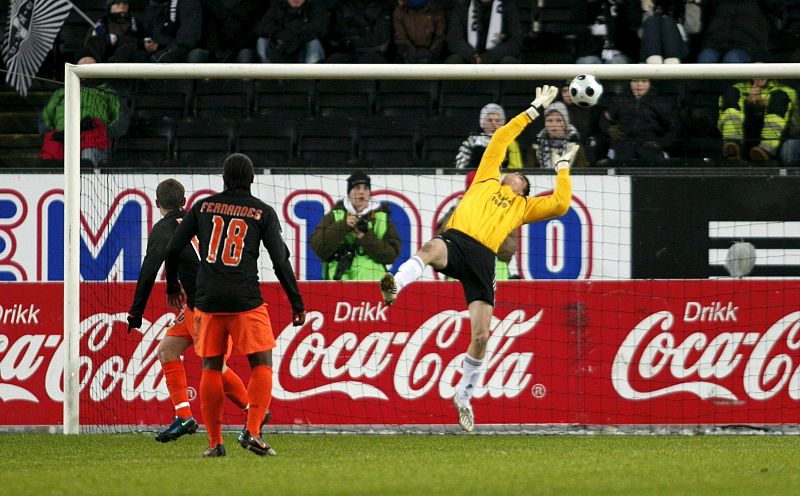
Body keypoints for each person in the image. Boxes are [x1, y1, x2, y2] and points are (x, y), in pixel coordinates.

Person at [379, 85, 575, 432]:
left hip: (483, 261)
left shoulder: (524, 207)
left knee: (482, 335)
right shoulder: (486, 179)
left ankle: (464, 396)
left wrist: (561, 168)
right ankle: (396, 283)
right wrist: (533, 109)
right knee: (429, 249)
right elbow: (500, 138)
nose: (511, 172)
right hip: (456, 241)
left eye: (518, 175)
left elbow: (560, 204)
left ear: (523, 186)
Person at [165, 153, 306, 457]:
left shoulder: (203, 206)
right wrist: (296, 301)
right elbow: (280, 260)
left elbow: (173, 247)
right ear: (252, 179)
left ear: (224, 178)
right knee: (262, 364)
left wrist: (172, 286)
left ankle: (215, 443)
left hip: (207, 301)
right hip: (245, 300)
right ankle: (253, 431)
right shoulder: (262, 212)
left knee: (211, 367)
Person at [126, 179, 252, 443]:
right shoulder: (202, 219)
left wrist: (136, 313)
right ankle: (184, 416)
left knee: (216, 367)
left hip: (207, 307)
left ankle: (255, 411)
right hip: (207, 301)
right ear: (185, 201)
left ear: (157, 204)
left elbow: (148, 272)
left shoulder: (163, 230)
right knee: (167, 350)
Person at [309, 171, 401, 281]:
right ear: (349, 193)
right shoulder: (335, 216)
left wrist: (365, 237)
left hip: (373, 283)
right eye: (357, 188)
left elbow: (391, 256)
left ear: (369, 193)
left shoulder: (382, 218)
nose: (362, 192)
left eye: (366, 188)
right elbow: (318, 247)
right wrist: (344, 226)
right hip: (340, 282)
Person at [38, 58, 130, 167]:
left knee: (87, 160)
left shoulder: (108, 93)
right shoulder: (62, 92)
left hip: (94, 137)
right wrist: (50, 132)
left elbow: (120, 116)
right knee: (53, 159)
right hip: (62, 136)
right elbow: (46, 115)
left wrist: (107, 133)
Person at [435, 171, 519, 281]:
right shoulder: (456, 212)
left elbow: (508, 251)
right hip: (459, 282)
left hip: (494, 280)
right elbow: (441, 245)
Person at [718, 78, 797, 161]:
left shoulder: (785, 91)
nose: (760, 76)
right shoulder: (736, 89)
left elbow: (789, 121)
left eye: (763, 71)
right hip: (744, 135)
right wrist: (748, 105)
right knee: (731, 94)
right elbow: (722, 119)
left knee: (779, 98)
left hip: (775, 141)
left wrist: (762, 108)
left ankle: (766, 150)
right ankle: (732, 146)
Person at [599, 79, 678, 162]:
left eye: (644, 81)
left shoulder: (660, 102)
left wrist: (660, 143)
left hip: (650, 147)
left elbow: (673, 127)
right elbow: (604, 119)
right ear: (629, 83)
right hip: (622, 147)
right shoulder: (619, 99)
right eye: (635, 81)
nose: (639, 85)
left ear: (650, 83)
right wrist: (608, 129)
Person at [186, 0, 268, 63]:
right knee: (196, 55)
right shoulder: (208, 3)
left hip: (243, 48)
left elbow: (254, 32)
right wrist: (217, 50)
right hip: (214, 50)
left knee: (246, 55)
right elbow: (208, 29)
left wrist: (233, 51)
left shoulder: (257, 3)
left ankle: (245, 84)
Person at [445, 0, 522, 64]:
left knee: (509, 62)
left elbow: (515, 42)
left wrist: (489, 57)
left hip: (497, 58)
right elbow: (454, 39)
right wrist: (473, 56)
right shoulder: (463, 6)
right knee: (454, 61)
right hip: (469, 58)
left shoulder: (508, 5)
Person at [255, 0, 329, 64]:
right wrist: (279, 34)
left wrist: (295, 35)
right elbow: (262, 27)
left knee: (314, 43)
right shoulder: (278, 6)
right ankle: (269, 74)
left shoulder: (314, 6)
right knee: (261, 41)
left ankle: (309, 76)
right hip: (281, 47)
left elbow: (319, 28)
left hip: (303, 49)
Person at [456, 103, 523, 169]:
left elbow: (516, 169)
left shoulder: (510, 142)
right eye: (489, 120)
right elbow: (460, 166)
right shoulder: (472, 141)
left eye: (498, 121)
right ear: (482, 123)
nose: (494, 124)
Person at [325, 0, 393, 63]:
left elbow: (381, 41)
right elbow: (335, 37)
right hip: (345, 53)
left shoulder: (381, 8)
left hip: (372, 54)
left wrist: (356, 34)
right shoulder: (342, 6)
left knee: (371, 60)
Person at [77, 0, 143, 64]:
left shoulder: (135, 24)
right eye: (118, 4)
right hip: (102, 56)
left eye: (125, 4)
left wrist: (117, 39)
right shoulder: (101, 23)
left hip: (124, 57)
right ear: (110, 6)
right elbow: (89, 43)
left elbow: (139, 40)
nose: (122, 6)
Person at [526, 102, 588, 168]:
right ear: (545, 124)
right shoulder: (536, 147)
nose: (554, 124)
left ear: (565, 124)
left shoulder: (576, 148)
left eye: (558, 120)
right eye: (549, 120)